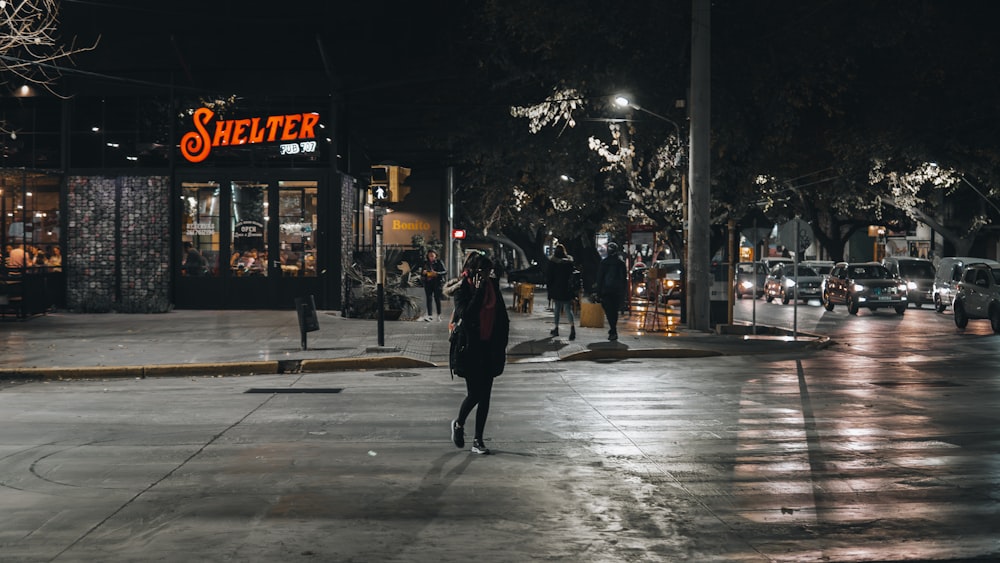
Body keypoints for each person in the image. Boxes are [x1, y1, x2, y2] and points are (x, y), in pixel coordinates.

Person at [447, 252, 510, 455]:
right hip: (471, 348)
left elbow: (502, 317)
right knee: (475, 393)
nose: (487, 275)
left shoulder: (493, 286)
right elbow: (466, 314)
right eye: (483, 271)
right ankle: (459, 424)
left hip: (490, 348)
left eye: (489, 271)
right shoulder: (462, 288)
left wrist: (502, 344)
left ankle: (478, 440)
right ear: (474, 270)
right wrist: (478, 292)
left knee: (486, 397)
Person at [596, 241, 628, 341]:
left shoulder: (604, 263)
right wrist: (624, 292)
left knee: (609, 311)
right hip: (617, 291)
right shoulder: (621, 263)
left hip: (606, 291)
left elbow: (600, 278)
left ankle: (613, 330)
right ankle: (613, 330)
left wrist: (598, 292)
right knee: (614, 311)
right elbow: (624, 279)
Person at [546, 244, 577, 340]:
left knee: (557, 309)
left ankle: (556, 328)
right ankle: (572, 327)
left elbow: (549, 277)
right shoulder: (569, 262)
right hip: (567, 289)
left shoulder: (553, 263)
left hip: (556, 288)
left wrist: (549, 291)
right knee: (568, 309)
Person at [420, 249, 447, 321]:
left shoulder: (439, 262)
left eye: (432, 255)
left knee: (437, 298)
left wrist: (437, 273)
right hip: (428, 282)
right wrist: (424, 272)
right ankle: (429, 315)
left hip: (437, 282)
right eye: (429, 256)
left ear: (435, 256)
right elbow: (421, 272)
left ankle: (438, 315)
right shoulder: (425, 263)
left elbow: (445, 271)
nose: (431, 257)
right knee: (429, 298)